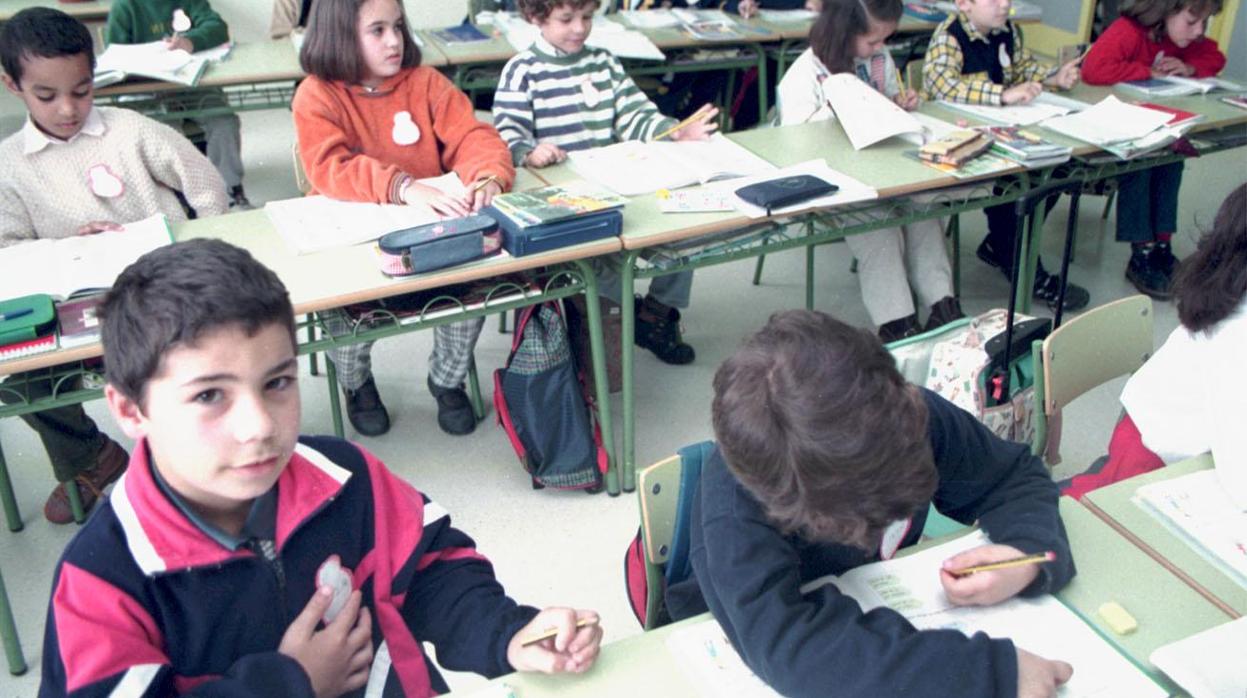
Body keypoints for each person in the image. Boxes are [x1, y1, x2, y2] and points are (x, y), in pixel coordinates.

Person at [39, 238, 603, 696]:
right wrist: (292, 684)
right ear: (130, 410)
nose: (259, 425)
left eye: (278, 383)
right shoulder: (102, 579)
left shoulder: (340, 474)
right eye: (211, 396)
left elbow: (431, 567)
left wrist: (505, 634)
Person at [666, 309, 1077, 697]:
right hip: (712, 645)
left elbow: (1011, 477)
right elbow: (793, 652)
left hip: (874, 600)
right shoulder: (734, 505)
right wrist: (991, 673)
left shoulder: (901, 417)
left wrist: (1026, 555)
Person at [0, 7, 227, 524]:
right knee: (17, 379)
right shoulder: (8, 164)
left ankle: (170, 470)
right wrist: (61, 247)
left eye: (81, 91)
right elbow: (7, 249)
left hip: (155, 300)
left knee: (181, 362)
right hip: (73, 314)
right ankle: (94, 460)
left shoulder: (130, 130)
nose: (67, 109)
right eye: (47, 95)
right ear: (11, 84)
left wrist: (194, 247)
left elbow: (207, 187)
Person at [293, 0, 514, 437]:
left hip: (428, 234)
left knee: (470, 293)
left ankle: (446, 381)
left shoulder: (425, 82)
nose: (395, 40)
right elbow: (329, 166)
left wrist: (487, 175)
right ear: (339, 35)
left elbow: (473, 136)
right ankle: (357, 384)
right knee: (342, 312)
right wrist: (405, 187)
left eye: (398, 26)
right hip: (356, 241)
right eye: (376, 30)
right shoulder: (317, 94)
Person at [493, 0, 718, 364]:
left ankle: (655, 314)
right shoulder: (522, 70)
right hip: (560, 200)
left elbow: (636, 114)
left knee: (682, 228)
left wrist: (674, 132)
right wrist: (528, 151)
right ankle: (617, 317)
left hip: (613, 185)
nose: (579, 28)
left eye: (586, 17)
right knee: (602, 265)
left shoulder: (603, 62)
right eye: (566, 19)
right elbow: (507, 134)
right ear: (536, 18)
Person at [776, 0, 963, 341]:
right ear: (842, 32)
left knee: (924, 209)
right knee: (878, 227)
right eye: (873, 41)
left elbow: (888, 100)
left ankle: (942, 304)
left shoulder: (879, 58)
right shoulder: (805, 74)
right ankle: (898, 323)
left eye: (884, 41)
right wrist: (831, 113)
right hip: (836, 181)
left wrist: (900, 103)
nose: (880, 49)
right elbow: (794, 142)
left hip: (884, 170)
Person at [1065, 182, 1246, 506]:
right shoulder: (1235, 338)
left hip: (1193, 457)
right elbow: (1240, 480)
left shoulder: (1231, 292)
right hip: (1151, 470)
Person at [923, 0, 1090, 311]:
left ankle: (1005, 247)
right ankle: (1021, 264)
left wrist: (1054, 76)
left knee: (1055, 170)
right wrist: (1000, 94)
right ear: (964, 4)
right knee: (1018, 186)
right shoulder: (950, 36)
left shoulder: (1006, 30)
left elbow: (1022, 67)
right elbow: (943, 87)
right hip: (961, 145)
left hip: (1001, 132)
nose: (1005, 5)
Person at [1081, 0, 1226, 299]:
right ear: (1167, 10)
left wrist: (1189, 67)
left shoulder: (1184, 38)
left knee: (1172, 161)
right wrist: (1147, 71)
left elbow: (1215, 58)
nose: (1198, 31)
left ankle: (1162, 246)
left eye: (1205, 23)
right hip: (1117, 128)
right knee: (1143, 165)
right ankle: (1141, 252)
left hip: (1158, 124)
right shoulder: (1130, 31)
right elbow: (1093, 69)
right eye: (1192, 21)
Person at [105, 0, 252, 209]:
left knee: (224, 122)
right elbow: (115, 56)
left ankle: (231, 189)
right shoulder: (125, 7)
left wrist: (191, 42)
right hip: (147, 89)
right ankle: (182, 195)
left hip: (191, 84)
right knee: (165, 133)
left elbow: (218, 27)